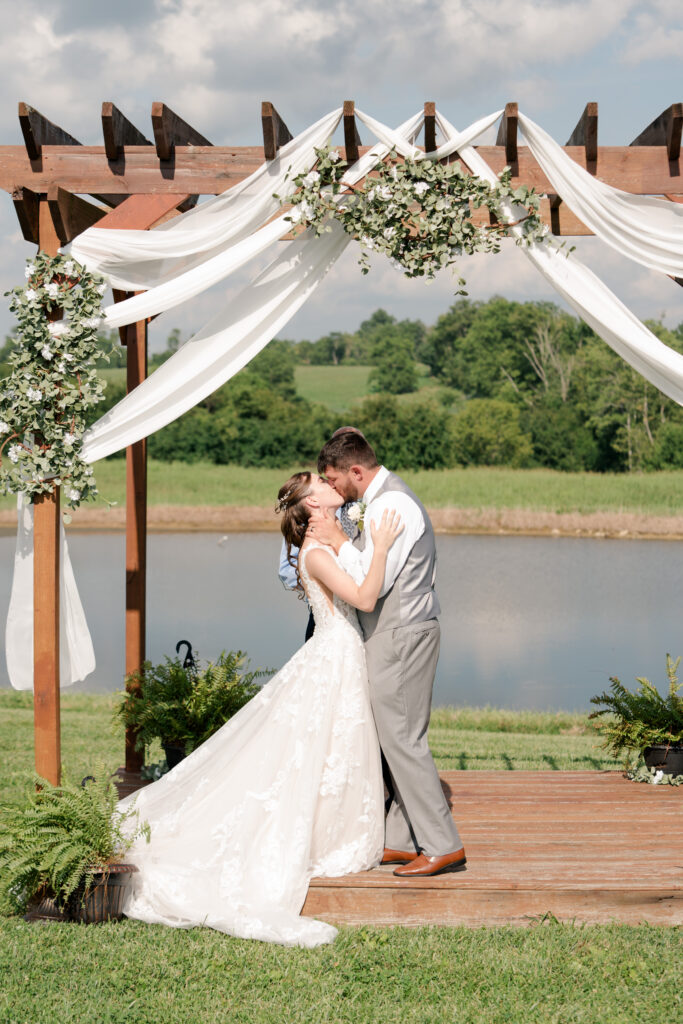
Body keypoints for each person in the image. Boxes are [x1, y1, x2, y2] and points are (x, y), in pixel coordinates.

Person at [118, 471, 402, 947]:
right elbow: (366, 597)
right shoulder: (314, 552)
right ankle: (316, 840)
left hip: (341, 656)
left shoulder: (327, 541)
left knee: (333, 750)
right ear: (312, 504)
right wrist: (385, 543)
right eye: (321, 483)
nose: (332, 484)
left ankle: (331, 833)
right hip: (333, 656)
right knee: (317, 751)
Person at [308, 431, 466, 878]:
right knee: (393, 735)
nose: (332, 488)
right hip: (400, 632)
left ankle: (442, 845)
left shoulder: (392, 506)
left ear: (356, 472)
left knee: (403, 738)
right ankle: (399, 839)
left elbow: (370, 587)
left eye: (334, 480)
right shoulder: (379, 502)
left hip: (401, 633)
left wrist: (338, 539)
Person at [277, 426, 365, 642]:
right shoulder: (312, 513)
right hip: (329, 619)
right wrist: (323, 590)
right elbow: (288, 570)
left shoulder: (367, 502)